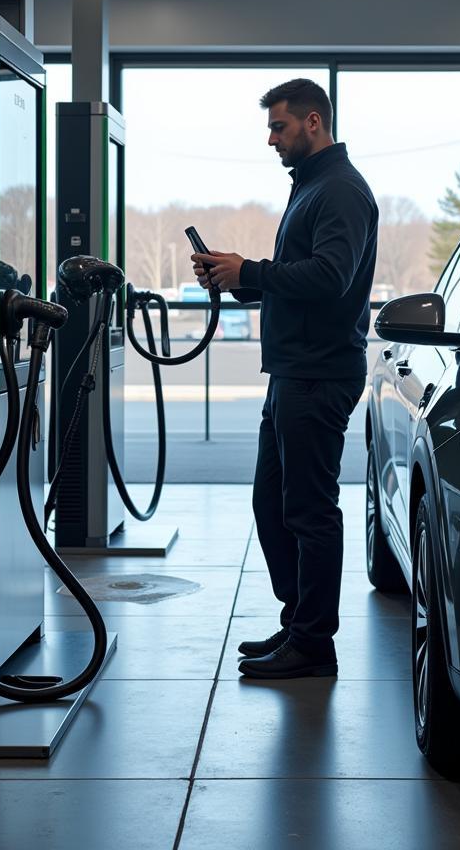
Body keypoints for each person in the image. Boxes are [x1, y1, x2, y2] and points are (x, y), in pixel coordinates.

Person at [191, 78, 378, 679]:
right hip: (294, 373)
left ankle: (314, 645)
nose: (271, 139)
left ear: (313, 123)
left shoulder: (341, 191)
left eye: (279, 127)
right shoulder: (312, 188)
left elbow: (330, 277)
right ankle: (298, 625)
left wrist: (252, 270)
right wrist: (237, 276)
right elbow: (298, 278)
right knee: (271, 504)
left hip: (319, 376)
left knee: (310, 511)